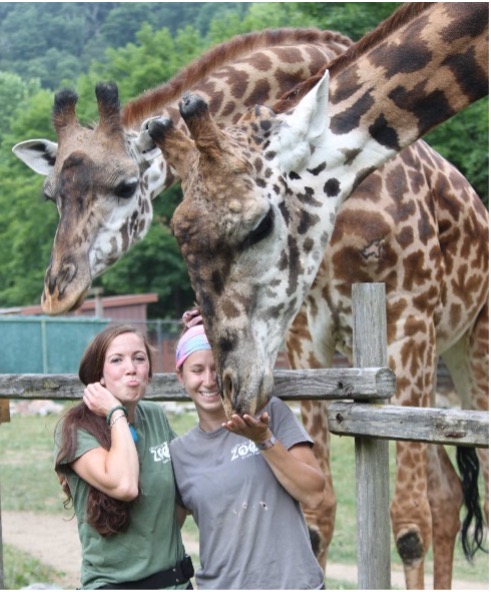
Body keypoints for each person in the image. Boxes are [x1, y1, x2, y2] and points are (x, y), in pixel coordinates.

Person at [170, 309, 326, 590]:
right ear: (180, 377)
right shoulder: (180, 453)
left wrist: (264, 439)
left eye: (217, 368)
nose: (208, 380)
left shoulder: (269, 415)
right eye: (197, 370)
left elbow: (315, 494)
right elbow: (164, 535)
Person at [54, 324, 194, 590]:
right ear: (100, 375)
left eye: (139, 358)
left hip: (174, 583)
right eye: (117, 360)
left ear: (148, 372)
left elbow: (185, 490)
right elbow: (125, 486)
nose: (131, 368)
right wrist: (115, 413)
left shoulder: (154, 416)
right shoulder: (75, 429)